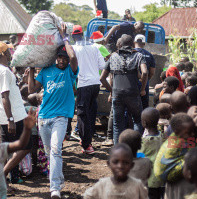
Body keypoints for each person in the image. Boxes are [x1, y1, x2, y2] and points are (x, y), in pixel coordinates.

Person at [28, 24, 79, 199]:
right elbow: (32, 89)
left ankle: (54, 188)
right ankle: (59, 178)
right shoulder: (46, 70)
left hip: (60, 117)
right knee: (51, 153)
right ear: (56, 58)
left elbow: (73, 58)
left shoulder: (70, 73)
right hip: (43, 117)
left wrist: (65, 38)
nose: (63, 60)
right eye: (60, 57)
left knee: (56, 150)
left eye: (64, 58)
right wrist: (32, 68)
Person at [0, 41, 30, 185]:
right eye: (8, 51)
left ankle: (9, 179)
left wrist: (21, 82)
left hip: (5, 116)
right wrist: (11, 119)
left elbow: (9, 92)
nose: (10, 53)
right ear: (3, 54)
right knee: (26, 146)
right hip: (14, 116)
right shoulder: (4, 71)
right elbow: (4, 96)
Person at [100, 34, 148, 144]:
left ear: (120, 44)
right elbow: (145, 72)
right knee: (137, 121)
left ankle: (118, 149)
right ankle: (137, 148)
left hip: (117, 95)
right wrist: (142, 89)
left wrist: (112, 91)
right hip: (133, 93)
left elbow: (102, 78)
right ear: (132, 44)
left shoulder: (113, 56)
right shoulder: (138, 55)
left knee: (117, 124)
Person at [71, 25, 105, 154]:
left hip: (83, 85)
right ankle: (87, 140)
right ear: (83, 34)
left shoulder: (73, 49)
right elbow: (102, 65)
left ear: (74, 36)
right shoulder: (95, 47)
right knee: (91, 112)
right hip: (95, 84)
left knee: (82, 114)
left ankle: (86, 145)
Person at [83, 144, 148, 199]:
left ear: (131, 165)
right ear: (109, 164)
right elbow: (87, 196)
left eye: (125, 162)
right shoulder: (103, 184)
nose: (120, 166)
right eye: (115, 162)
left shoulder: (137, 185)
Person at [154, 113, 196, 198]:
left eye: (193, 131)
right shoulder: (179, 144)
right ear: (177, 132)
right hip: (172, 178)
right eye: (188, 132)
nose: (192, 134)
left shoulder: (171, 139)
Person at [140, 108, 164, 199]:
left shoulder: (144, 142)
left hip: (149, 180)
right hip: (161, 178)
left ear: (144, 123)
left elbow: (139, 156)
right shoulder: (161, 136)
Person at [134, 34, 156, 110]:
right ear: (144, 43)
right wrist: (145, 80)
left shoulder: (130, 53)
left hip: (130, 83)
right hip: (144, 83)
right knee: (143, 106)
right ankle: (142, 121)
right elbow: (152, 72)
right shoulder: (149, 55)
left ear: (134, 42)